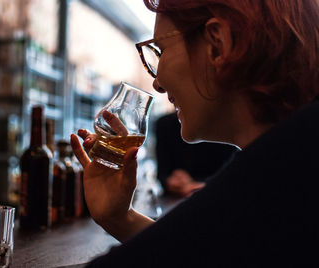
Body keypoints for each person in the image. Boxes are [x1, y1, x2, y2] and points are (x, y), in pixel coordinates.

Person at [70, 0, 319, 266]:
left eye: (161, 51)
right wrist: (120, 218)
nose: (157, 82)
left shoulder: (271, 177)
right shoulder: (289, 163)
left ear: (217, 44)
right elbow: (212, 252)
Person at [155, 112, 237, 197]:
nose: (170, 98)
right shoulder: (164, 124)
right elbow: (162, 174)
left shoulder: (225, 126)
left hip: (215, 196)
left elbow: (231, 176)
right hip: (174, 199)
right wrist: (170, 181)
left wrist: (198, 184)